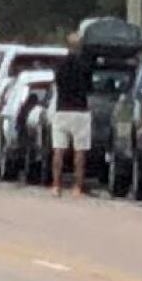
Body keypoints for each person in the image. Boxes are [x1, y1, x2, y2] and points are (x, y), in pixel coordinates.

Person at [51, 33, 92, 197]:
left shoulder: (60, 66)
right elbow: (89, 87)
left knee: (58, 149)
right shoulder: (85, 66)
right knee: (79, 151)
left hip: (62, 110)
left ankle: (56, 185)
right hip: (80, 111)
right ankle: (77, 187)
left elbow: (57, 84)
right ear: (80, 46)